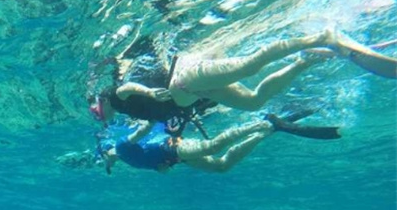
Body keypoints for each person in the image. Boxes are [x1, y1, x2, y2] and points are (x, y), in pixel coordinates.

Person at [91, 29, 396, 121]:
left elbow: (127, 87)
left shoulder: (117, 98)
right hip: (193, 89)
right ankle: (304, 61)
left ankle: (320, 38)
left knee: (250, 66)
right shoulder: (131, 115)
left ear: (100, 101)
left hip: (182, 77)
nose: (97, 115)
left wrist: (147, 93)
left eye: (95, 110)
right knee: (252, 102)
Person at [96, 111, 339, 174]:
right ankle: (267, 130)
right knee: (221, 166)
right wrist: (162, 168)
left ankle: (260, 123)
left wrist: (150, 116)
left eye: (103, 159)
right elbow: (156, 166)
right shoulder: (125, 161)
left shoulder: (120, 146)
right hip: (175, 157)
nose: (107, 164)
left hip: (170, 146)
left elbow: (144, 130)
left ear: (105, 151)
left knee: (212, 147)